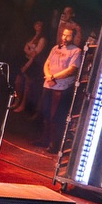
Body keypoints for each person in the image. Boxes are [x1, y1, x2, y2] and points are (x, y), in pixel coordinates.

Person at [40, 23, 82, 153]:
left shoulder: (76, 51)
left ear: (73, 37)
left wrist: (54, 77)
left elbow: (71, 70)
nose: (64, 38)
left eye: (68, 36)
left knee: (56, 116)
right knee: (46, 113)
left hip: (61, 87)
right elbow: (46, 63)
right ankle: (44, 139)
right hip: (48, 84)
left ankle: (54, 144)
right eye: (64, 35)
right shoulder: (55, 48)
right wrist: (48, 76)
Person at [12, 20, 48, 116]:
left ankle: (22, 105)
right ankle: (16, 101)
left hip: (34, 64)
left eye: (40, 25)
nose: (38, 26)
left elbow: (35, 54)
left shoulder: (42, 39)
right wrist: (29, 52)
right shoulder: (32, 37)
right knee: (18, 82)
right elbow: (25, 49)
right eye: (37, 24)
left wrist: (29, 55)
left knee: (27, 86)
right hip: (25, 60)